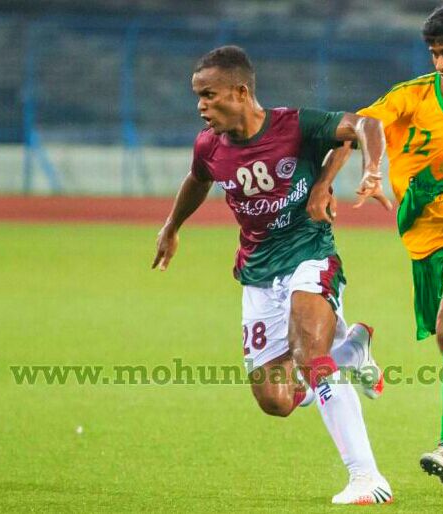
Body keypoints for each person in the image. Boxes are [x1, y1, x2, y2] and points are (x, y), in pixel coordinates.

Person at [152, 45, 393, 504]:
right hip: (258, 273)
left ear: (241, 92)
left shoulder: (293, 125)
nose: (201, 106)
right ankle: (351, 351)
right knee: (275, 400)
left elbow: (364, 126)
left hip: (309, 255)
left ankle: (367, 477)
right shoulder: (209, 145)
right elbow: (198, 178)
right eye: (197, 96)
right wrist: (171, 226)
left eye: (209, 95)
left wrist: (367, 171)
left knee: (310, 357)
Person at [308, 3, 443, 488]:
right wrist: (335, 181)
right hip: (422, 245)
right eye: (434, 54)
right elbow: (358, 128)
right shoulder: (411, 97)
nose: (440, 64)